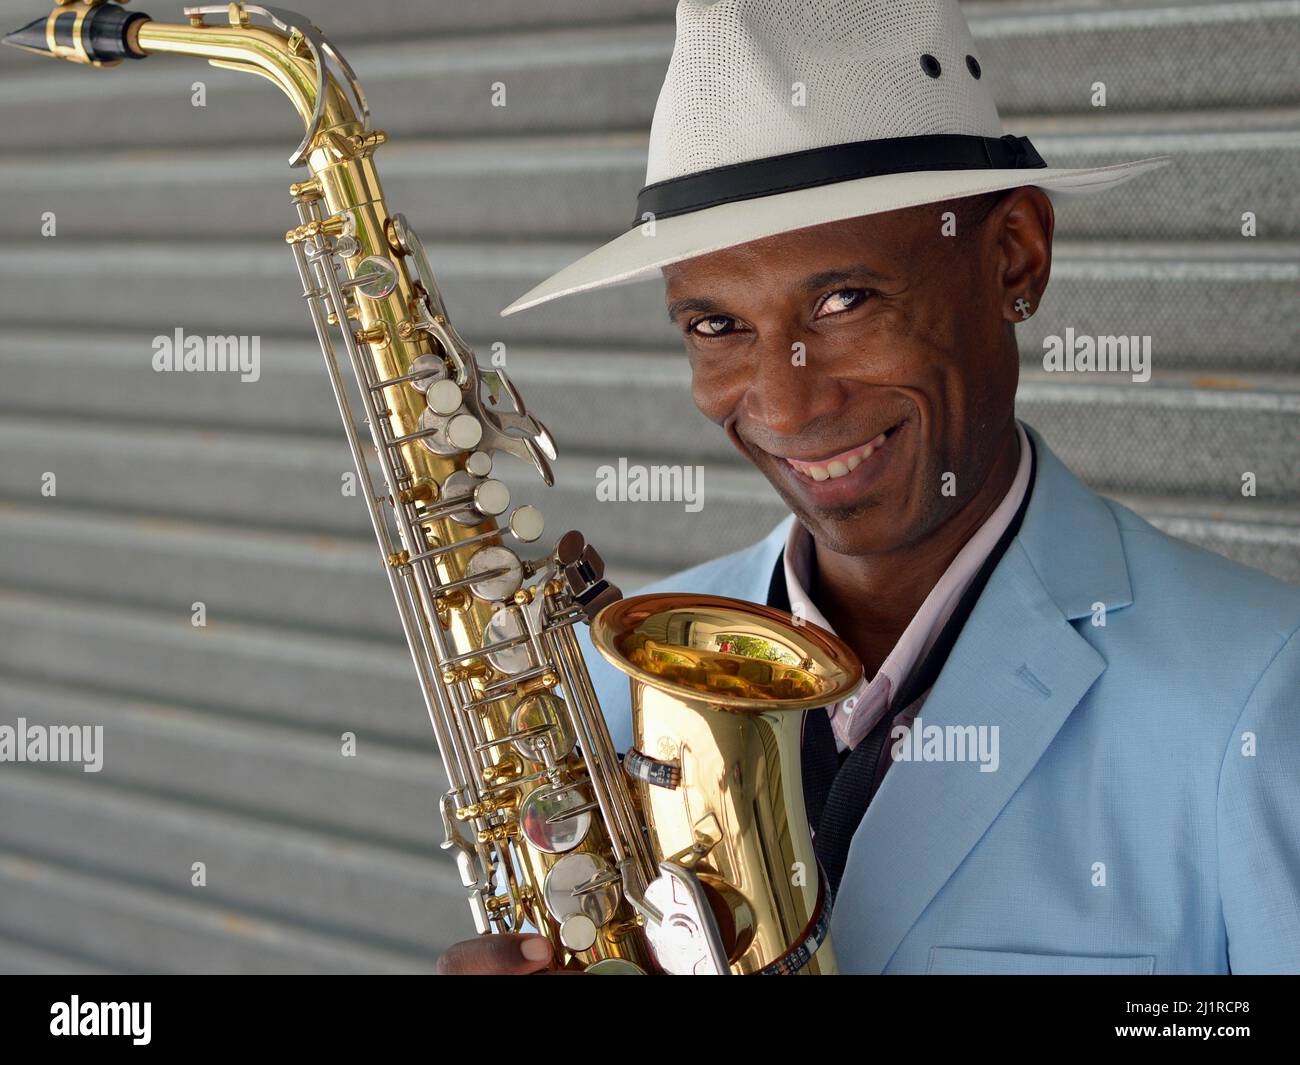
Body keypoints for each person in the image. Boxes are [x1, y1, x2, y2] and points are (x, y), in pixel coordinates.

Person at [437, 0, 1300, 975]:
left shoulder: (1260, 696)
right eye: (716, 326)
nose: (786, 406)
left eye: (845, 300)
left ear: (1014, 254)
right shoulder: (607, 692)